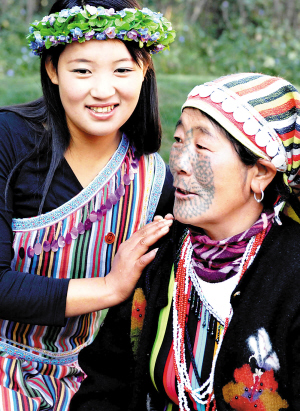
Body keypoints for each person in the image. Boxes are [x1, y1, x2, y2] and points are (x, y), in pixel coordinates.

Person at [0, 0, 175, 409]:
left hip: (91, 379)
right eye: (82, 70)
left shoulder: (152, 178)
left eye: (122, 69)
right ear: (52, 70)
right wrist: (109, 288)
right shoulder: (9, 139)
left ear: (145, 69)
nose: (103, 90)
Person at [130, 73, 300, 411]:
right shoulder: (162, 248)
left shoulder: (292, 274)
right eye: (178, 140)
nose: (177, 163)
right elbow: (109, 376)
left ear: (261, 173)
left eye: (202, 147)